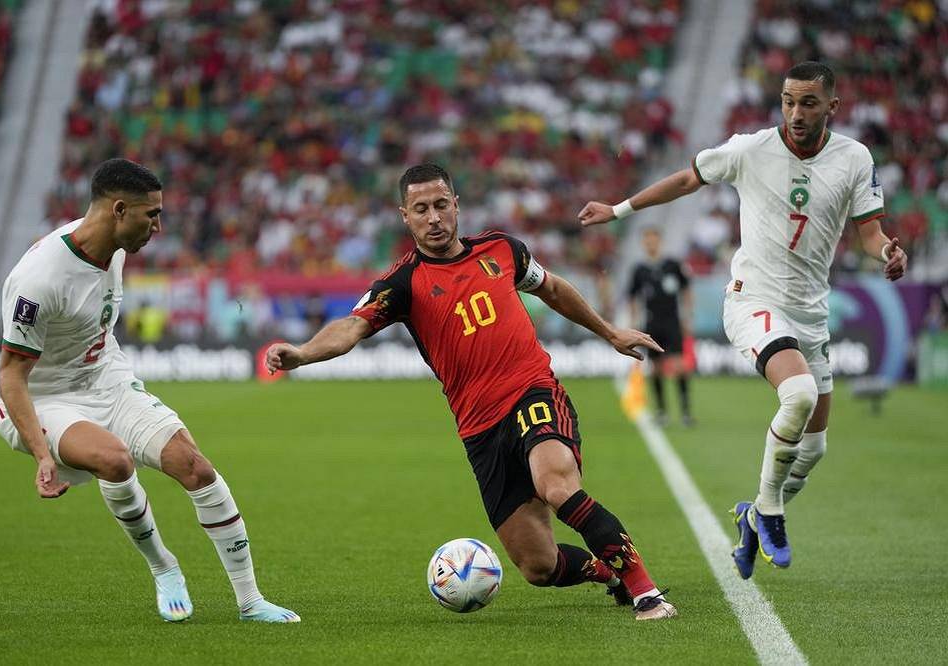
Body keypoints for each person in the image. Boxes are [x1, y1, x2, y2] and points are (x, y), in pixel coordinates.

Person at [266, 163, 677, 620]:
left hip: (532, 393)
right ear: (405, 216)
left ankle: (646, 593)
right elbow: (351, 327)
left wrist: (610, 332)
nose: (434, 218)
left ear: (456, 205)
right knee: (538, 566)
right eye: (421, 209)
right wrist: (302, 353)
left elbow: (553, 289)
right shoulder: (402, 284)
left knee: (556, 485)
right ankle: (609, 573)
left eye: (441, 205)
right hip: (480, 429)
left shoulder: (502, 250)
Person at [578, 61, 908, 579]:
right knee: (798, 395)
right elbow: (687, 178)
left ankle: (753, 514)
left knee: (813, 449)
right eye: (788, 101)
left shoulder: (855, 158)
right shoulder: (750, 149)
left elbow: (870, 234)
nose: (796, 113)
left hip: (810, 315)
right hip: (754, 300)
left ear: (832, 107)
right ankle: (770, 513)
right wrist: (618, 210)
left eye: (809, 103)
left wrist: (888, 251)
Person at [0, 158, 299, 623]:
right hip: (43, 398)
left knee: (195, 466)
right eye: (151, 215)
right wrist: (41, 455)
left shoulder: (113, 244)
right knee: (114, 459)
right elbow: (12, 375)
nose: (158, 227)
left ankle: (251, 601)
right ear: (118, 210)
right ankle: (163, 566)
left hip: (106, 379)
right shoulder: (39, 280)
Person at [627, 228, 695, 426]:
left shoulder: (673, 265)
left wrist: (688, 317)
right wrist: (634, 322)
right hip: (652, 323)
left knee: (679, 365)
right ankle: (661, 411)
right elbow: (633, 297)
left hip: (673, 322)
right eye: (647, 240)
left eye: (654, 239)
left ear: (660, 241)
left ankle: (685, 412)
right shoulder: (639, 270)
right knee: (655, 368)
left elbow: (686, 290)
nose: (651, 243)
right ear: (643, 243)